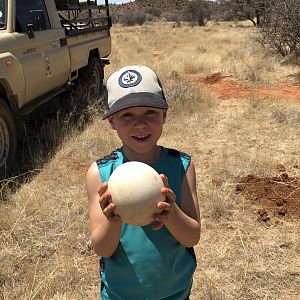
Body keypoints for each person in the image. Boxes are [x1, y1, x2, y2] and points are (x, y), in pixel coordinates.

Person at [86, 65, 201, 300]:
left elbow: (192, 237)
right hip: (121, 294)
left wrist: (172, 213)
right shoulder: (101, 173)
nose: (140, 123)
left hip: (175, 293)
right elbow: (102, 249)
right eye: (127, 115)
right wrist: (113, 219)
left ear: (164, 115)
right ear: (112, 122)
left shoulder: (181, 165)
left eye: (150, 111)